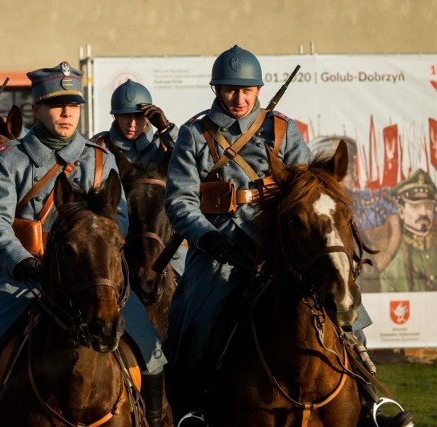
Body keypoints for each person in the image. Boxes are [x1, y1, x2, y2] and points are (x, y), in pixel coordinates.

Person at [163, 45, 410, 426]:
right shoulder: (195, 134)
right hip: (220, 251)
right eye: (230, 89)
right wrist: (207, 237)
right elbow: (179, 200)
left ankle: (369, 404)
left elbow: (308, 188)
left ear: (259, 89)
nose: (239, 98)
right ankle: (195, 412)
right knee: (197, 322)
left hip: (281, 247)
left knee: (348, 312)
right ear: (216, 89)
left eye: (247, 90)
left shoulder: (282, 128)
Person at [0, 61, 166, 426]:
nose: (66, 113)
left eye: (72, 106)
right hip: (27, 275)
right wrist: (20, 261)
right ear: (38, 109)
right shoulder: (9, 160)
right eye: (57, 106)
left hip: (92, 277)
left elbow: (118, 221)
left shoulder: (100, 159)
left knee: (151, 352)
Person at [93, 79, 186, 277]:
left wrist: (167, 129)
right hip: (116, 239)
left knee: (191, 286)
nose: (132, 124)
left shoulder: (164, 143)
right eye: (125, 116)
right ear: (115, 116)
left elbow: (191, 160)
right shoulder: (100, 146)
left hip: (163, 239)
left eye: (138, 116)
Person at [379, 169, 437, 292]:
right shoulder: (392, 270)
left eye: (428, 206)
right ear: (401, 212)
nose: (424, 212)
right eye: (416, 206)